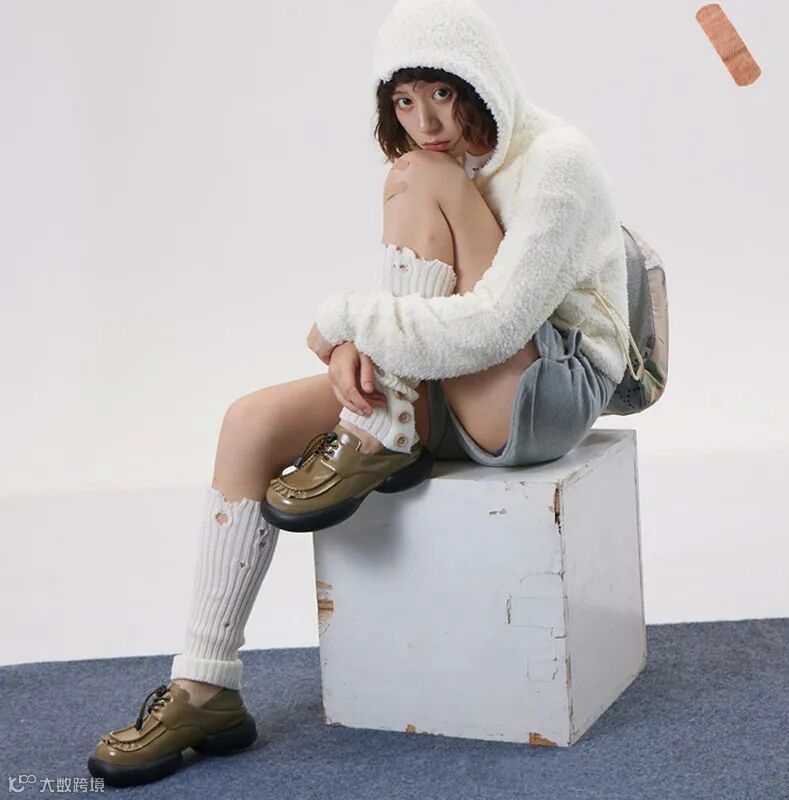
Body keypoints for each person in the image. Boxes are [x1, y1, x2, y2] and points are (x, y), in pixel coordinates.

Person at [88, 0, 636, 786]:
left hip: (546, 387)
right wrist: (363, 344)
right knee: (249, 423)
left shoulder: (558, 158)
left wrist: (351, 319)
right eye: (404, 101)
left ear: (483, 80)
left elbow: (494, 325)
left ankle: (389, 429)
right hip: (454, 381)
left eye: (442, 93)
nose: (427, 121)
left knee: (419, 175)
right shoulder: (442, 161)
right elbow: (433, 307)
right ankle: (206, 687)